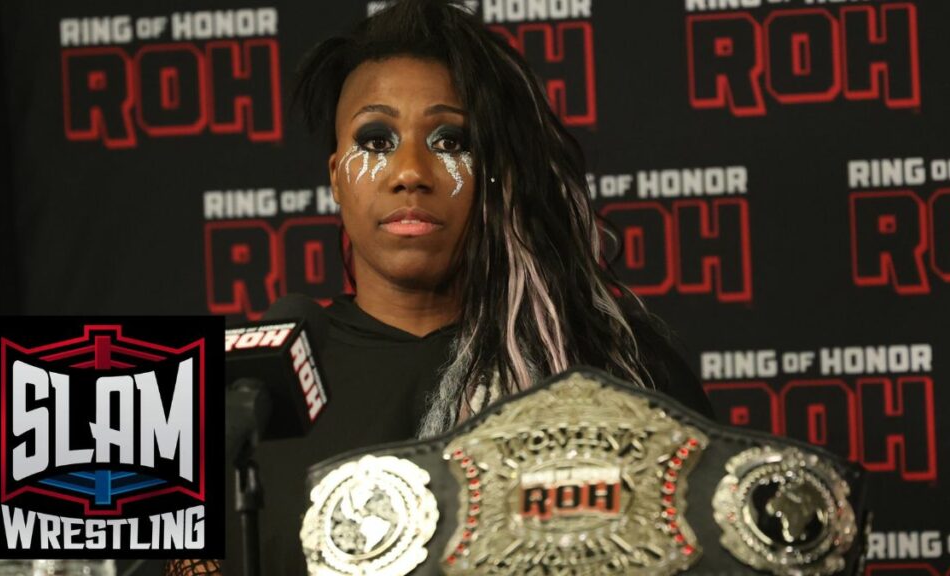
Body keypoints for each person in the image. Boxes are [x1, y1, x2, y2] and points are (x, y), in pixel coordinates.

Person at [168, 0, 711, 574]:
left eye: (450, 140)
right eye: (375, 140)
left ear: (495, 172)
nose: (410, 172)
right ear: (334, 178)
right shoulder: (224, 390)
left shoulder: (614, 370)